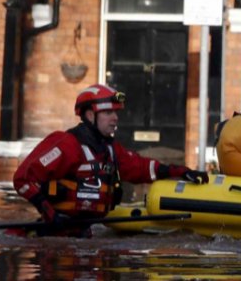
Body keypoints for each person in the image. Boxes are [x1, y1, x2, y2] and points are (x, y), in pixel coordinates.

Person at [11, 83, 209, 237]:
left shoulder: (110, 149)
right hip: (51, 234)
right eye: (108, 113)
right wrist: (49, 213)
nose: (115, 118)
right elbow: (23, 179)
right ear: (90, 115)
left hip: (82, 233)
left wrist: (181, 172)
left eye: (116, 113)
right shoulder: (66, 144)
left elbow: (140, 168)